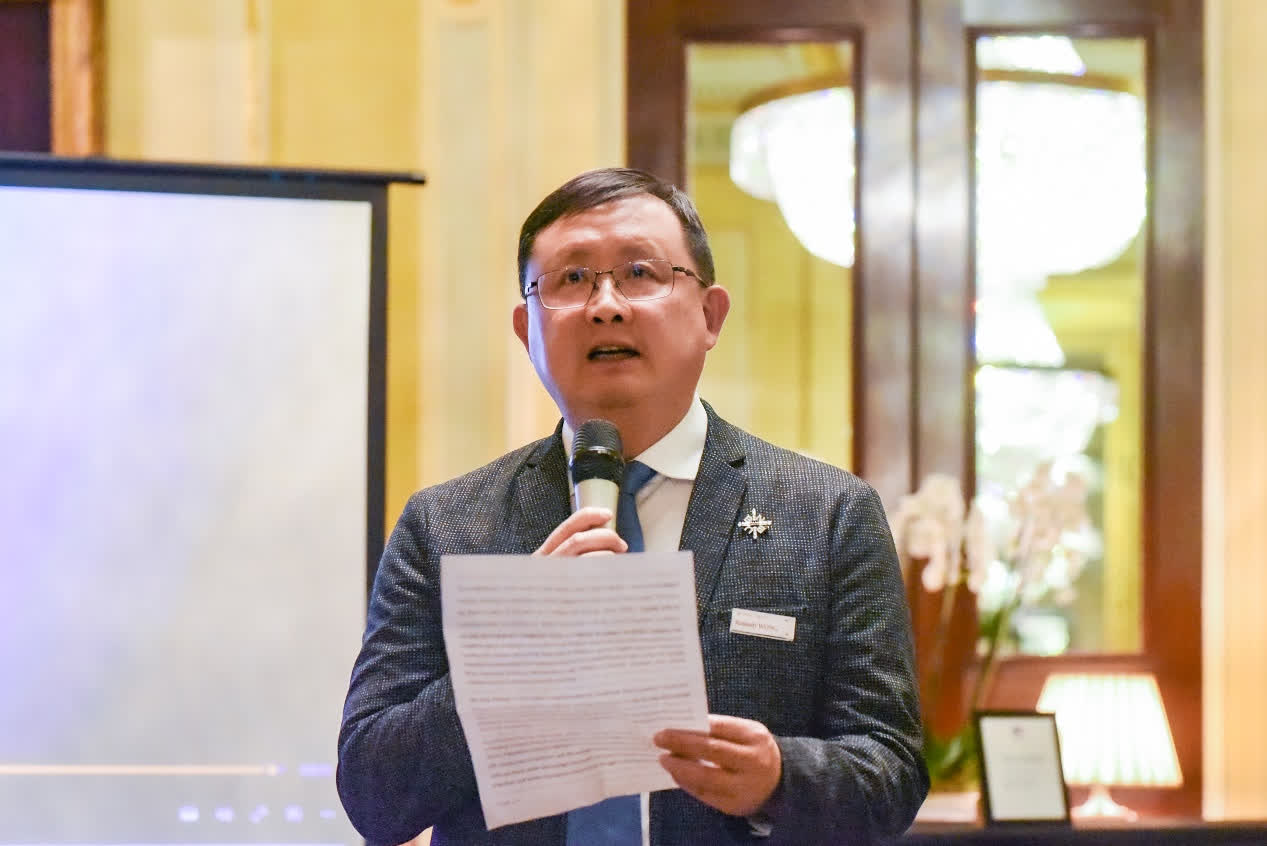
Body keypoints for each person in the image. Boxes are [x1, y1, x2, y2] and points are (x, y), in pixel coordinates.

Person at [336, 167, 928, 845]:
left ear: (710, 316)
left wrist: (779, 779)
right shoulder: (445, 525)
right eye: (571, 279)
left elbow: (892, 773)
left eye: (640, 273)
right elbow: (373, 796)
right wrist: (509, 652)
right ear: (527, 329)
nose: (606, 305)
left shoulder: (828, 516)